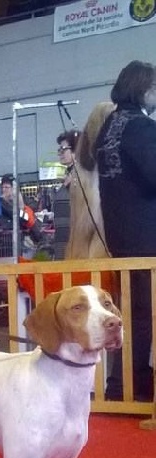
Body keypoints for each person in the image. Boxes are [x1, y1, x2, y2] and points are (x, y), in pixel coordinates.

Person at [95, 60, 156, 401]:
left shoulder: (108, 128)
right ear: (143, 88)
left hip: (121, 238)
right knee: (144, 316)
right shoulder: (143, 128)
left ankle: (123, 386)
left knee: (132, 315)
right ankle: (136, 386)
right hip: (150, 238)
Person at [65, 102, 114, 260]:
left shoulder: (79, 173)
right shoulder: (87, 176)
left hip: (82, 254)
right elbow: (88, 225)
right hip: (97, 256)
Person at [52, 129, 80, 259]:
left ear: (76, 150)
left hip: (75, 245)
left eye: (64, 149)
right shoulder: (70, 175)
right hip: (64, 242)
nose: (60, 153)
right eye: (59, 150)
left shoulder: (81, 176)